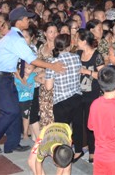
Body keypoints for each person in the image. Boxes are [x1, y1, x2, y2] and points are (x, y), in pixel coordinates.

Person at [0, 7, 65, 155]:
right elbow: (32, 60)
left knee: (15, 110)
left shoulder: (12, 36)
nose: (29, 20)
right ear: (19, 21)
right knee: (10, 111)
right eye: (26, 18)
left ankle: (12, 143)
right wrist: (53, 66)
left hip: (5, 77)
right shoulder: (15, 38)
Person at [44, 33, 84, 162]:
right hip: (77, 97)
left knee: (62, 131)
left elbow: (48, 86)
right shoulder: (76, 58)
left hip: (61, 101)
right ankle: (78, 151)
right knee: (77, 126)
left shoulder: (52, 62)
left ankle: (63, 154)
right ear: (69, 45)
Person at [76, 28, 104, 163]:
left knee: (90, 123)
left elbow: (102, 75)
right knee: (78, 121)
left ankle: (92, 150)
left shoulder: (97, 55)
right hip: (77, 92)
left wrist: (86, 71)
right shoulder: (77, 54)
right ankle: (79, 148)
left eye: (78, 39)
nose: (76, 41)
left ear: (84, 41)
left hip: (92, 94)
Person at [15, 63, 37, 141]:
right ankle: (16, 131)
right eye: (25, 67)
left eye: (29, 68)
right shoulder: (17, 75)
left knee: (25, 117)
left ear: (33, 69)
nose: (26, 70)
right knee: (16, 116)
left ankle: (25, 133)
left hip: (27, 100)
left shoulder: (34, 75)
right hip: (17, 99)